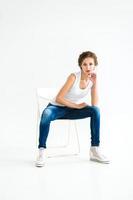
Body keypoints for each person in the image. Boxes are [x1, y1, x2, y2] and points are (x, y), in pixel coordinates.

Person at [35, 51, 110, 167]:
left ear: (95, 65)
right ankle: (41, 151)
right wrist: (77, 106)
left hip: (71, 110)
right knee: (46, 114)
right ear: (80, 65)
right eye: (85, 64)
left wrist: (95, 84)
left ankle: (94, 149)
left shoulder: (91, 80)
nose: (88, 67)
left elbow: (94, 104)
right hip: (56, 108)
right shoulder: (73, 77)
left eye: (91, 64)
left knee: (95, 111)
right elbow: (59, 98)